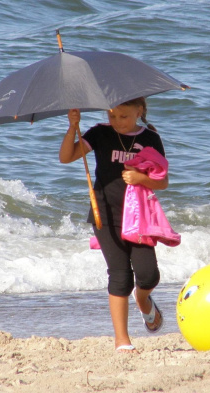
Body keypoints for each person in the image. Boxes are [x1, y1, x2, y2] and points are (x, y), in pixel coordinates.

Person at [59, 97, 167, 353]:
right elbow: (66, 157)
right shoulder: (99, 134)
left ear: (139, 111)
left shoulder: (151, 139)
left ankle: (143, 301)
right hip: (105, 214)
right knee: (120, 276)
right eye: (112, 116)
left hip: (139, 216)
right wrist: (73, 127)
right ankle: (122, 341)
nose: (117, 122)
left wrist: (141, 177)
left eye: (124, 117)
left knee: (149, 274)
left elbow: (162, 182)